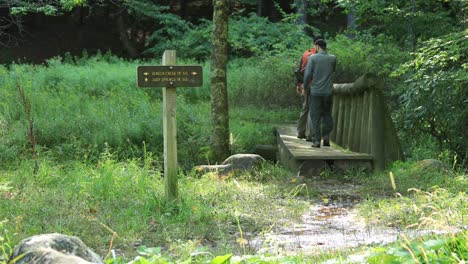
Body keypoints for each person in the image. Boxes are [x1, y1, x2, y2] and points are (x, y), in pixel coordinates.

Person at [303, 39, 336, 148]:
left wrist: (305, 87)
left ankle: (317, 141)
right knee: (327, 114)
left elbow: (307, 75)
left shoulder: (313, 58)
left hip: (316, 91)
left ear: (317, 46)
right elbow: (332, 72)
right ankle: (326, 138)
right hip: (328, 92)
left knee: (315, 116)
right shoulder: (332, 58)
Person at [295, 36, 322, 141]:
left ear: (313, 44)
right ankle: (310, 135)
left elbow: (299, 70)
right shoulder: (320, 55)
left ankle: (300, 132)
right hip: (315, 85)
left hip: (305, 85)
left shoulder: (305, 54)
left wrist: (299, 86)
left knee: (305, 108)